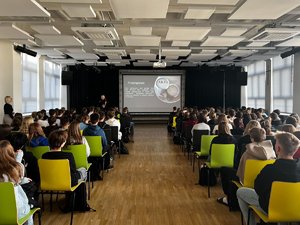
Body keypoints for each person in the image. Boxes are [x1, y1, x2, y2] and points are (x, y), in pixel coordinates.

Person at [237, 132, 300, 225]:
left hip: (272, 209)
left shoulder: (270, 169)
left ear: (278, 149)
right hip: (295, 209)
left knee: (240, 192)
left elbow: (257, 188)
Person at [0, 140, 33, 225]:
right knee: (30, 203)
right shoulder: (16, 169)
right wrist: (18, 157)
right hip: (16, 211)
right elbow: (18, 176)